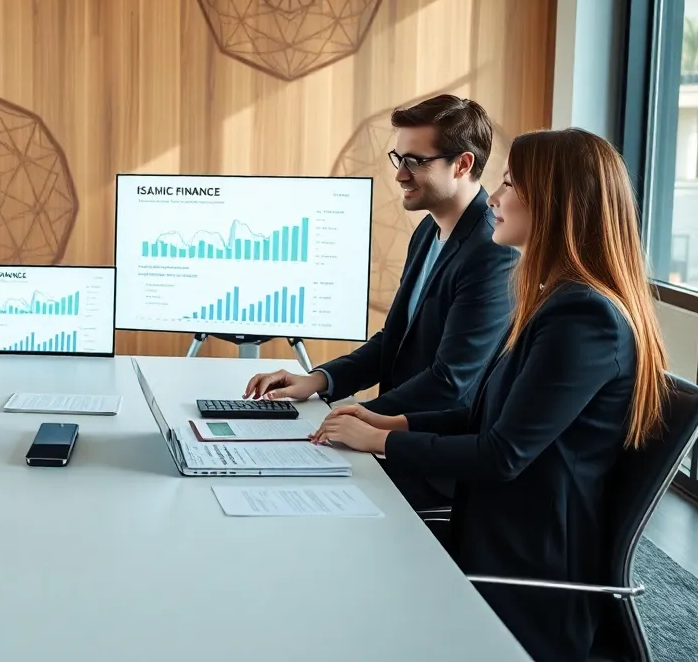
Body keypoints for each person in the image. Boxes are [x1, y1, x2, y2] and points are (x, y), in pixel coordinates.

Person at [312, 128, 667, 662]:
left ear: (556, 204)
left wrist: (379, 444)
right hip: (492, 539)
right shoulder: (552, 301)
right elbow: (481, 417)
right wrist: (387, 425)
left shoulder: (583, 317)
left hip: (524, 576)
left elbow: (503, 454)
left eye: (509, 184)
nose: (494, 200)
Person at [245, 95, 518, 505]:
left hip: (432, 461)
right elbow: (393, 340)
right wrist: (317, 381)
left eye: (416, 161)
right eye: (398, 158)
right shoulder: (428, 232)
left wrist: (361, 418)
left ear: (462, 164)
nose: (400, 175)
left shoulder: (492, 251)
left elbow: (451, 381)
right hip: (390, 439)